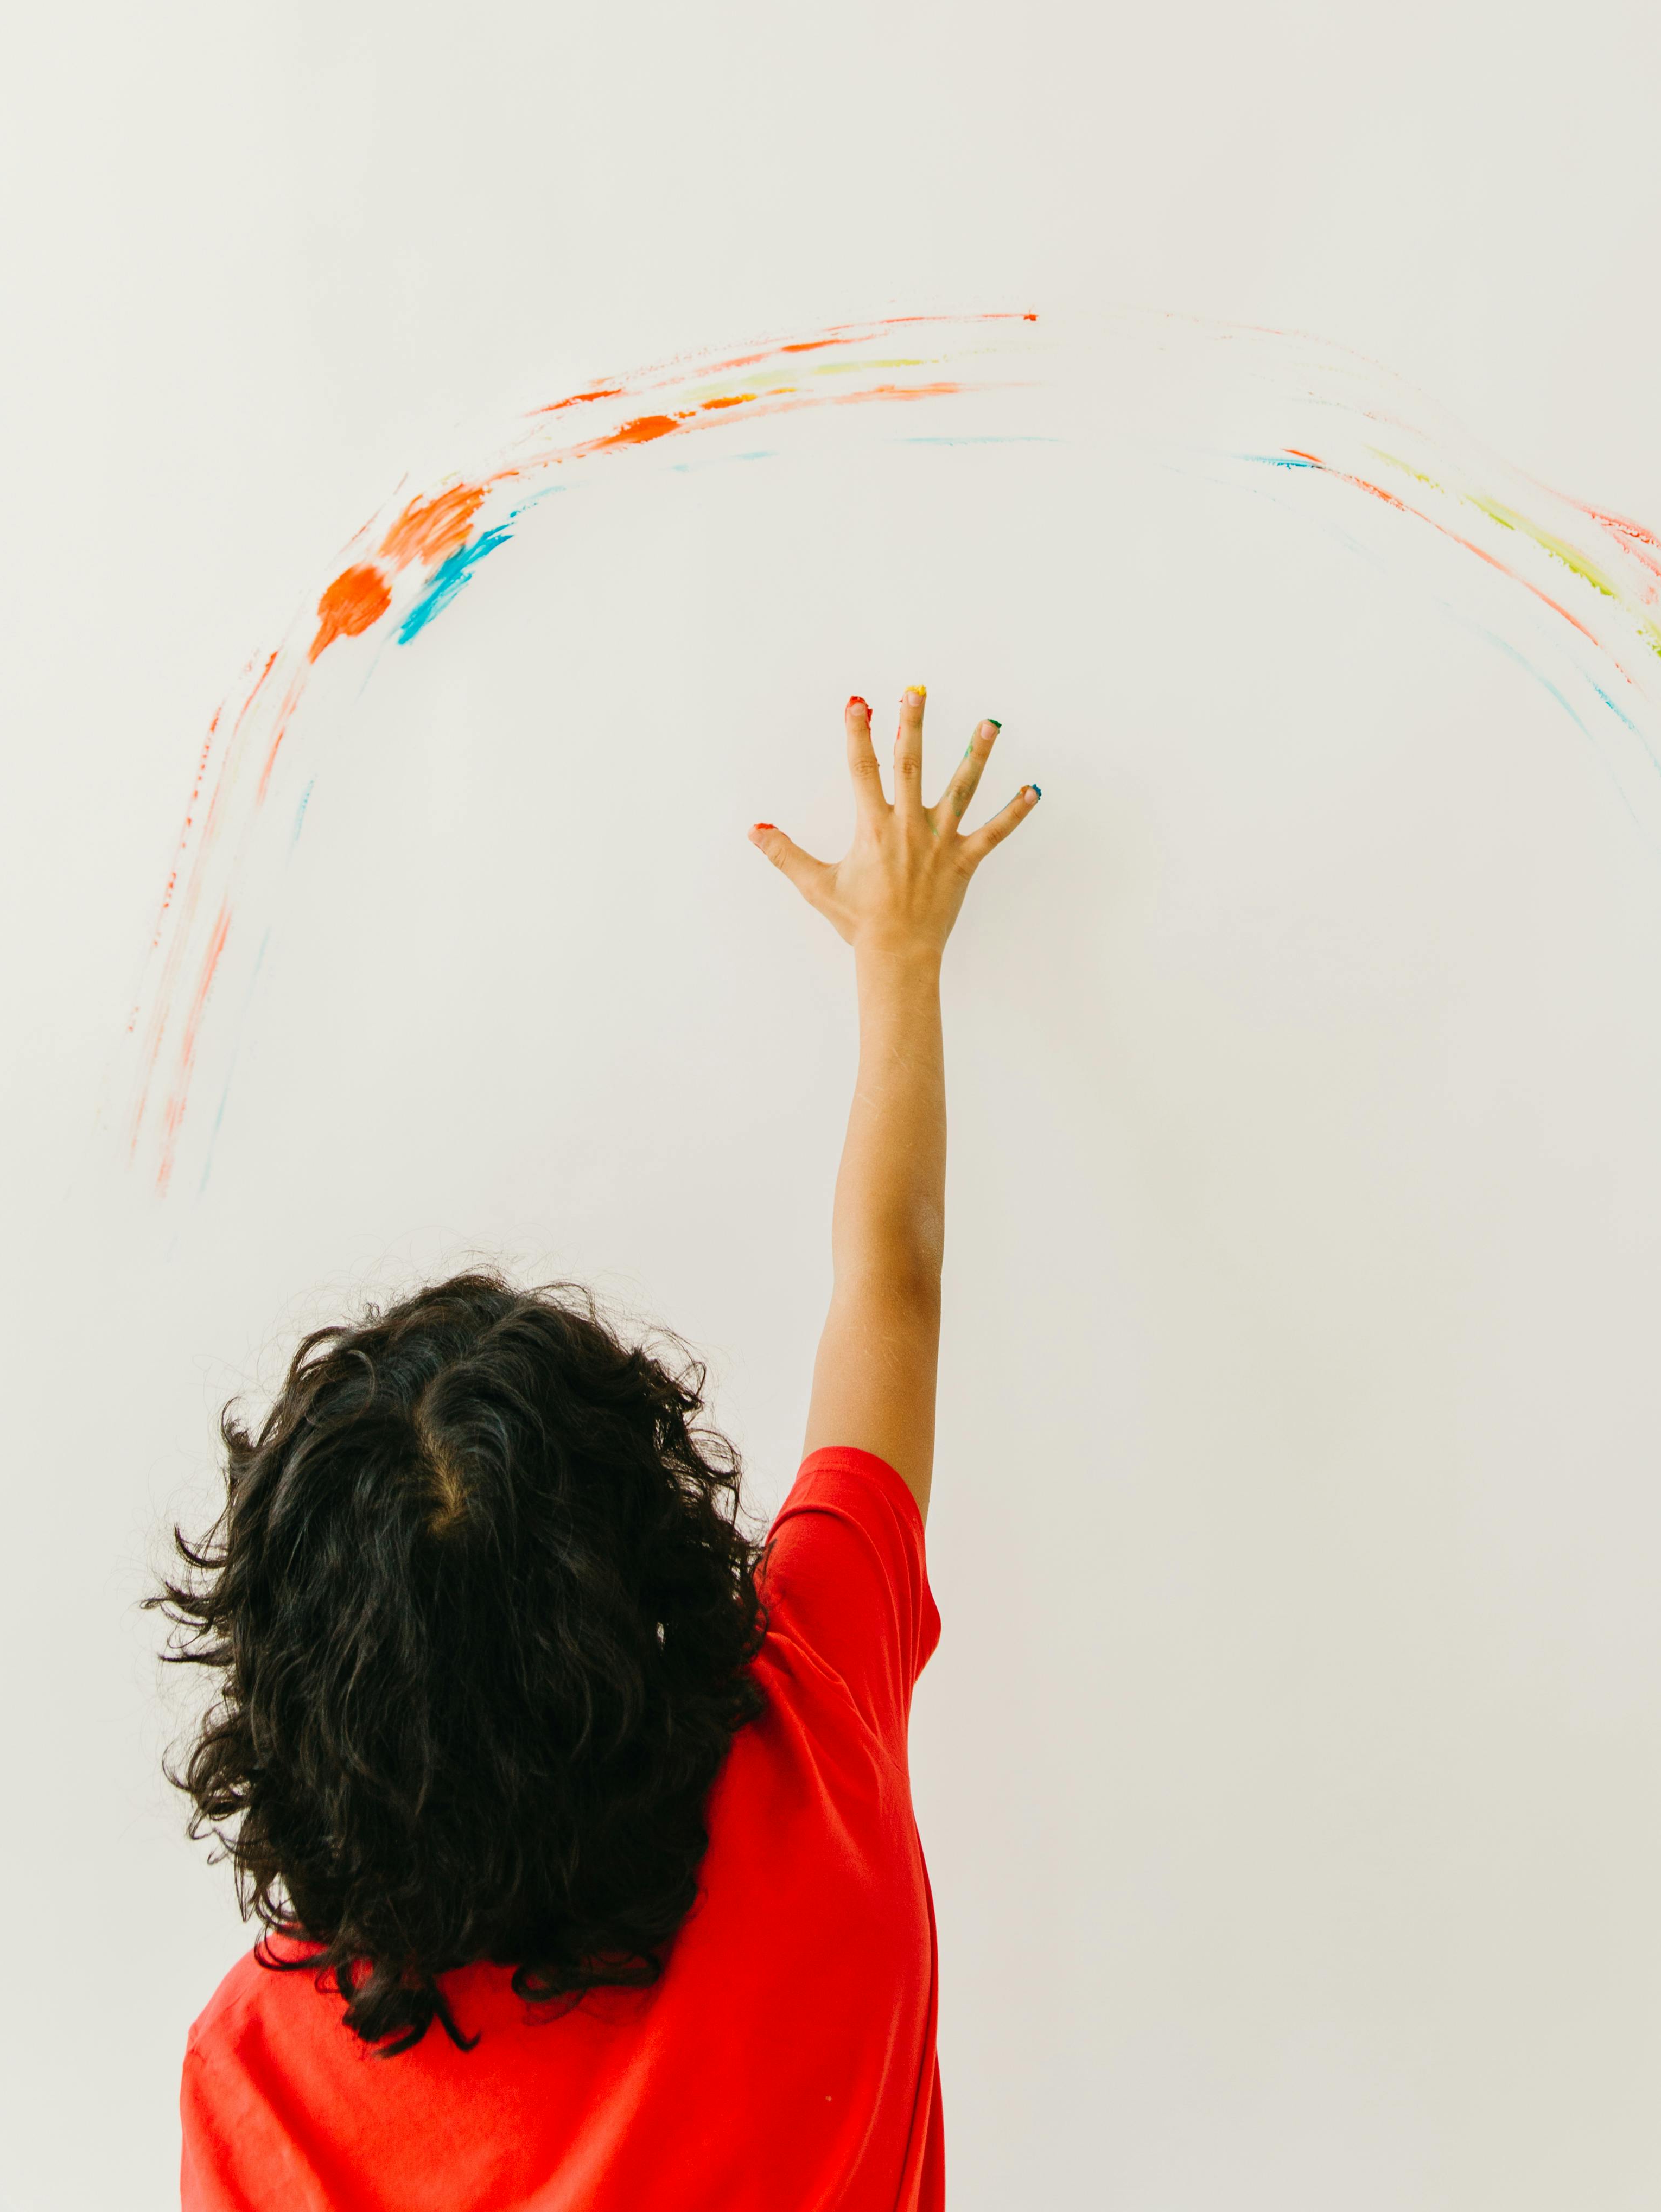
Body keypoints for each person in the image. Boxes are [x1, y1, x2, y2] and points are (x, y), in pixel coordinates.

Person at [162, 688, 1039, 2211]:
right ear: (655, 1551)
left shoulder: (256, 2078)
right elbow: (890, 1286)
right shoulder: (807, 1753)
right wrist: (897, 958)